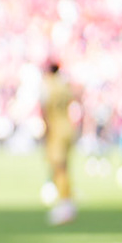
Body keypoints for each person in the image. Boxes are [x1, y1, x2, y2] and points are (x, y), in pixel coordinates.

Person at [41, 61, 78, 225]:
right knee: (65, 168)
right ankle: (67, 201)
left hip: (56, 129)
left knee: (58, 168)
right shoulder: (64, 85)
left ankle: (65, 205)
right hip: (68, 128)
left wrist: (46, 131)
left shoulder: (48, 86)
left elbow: (44, 109)